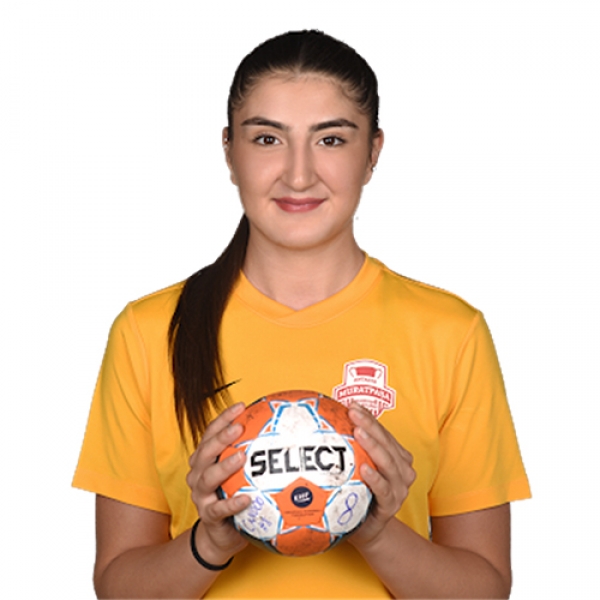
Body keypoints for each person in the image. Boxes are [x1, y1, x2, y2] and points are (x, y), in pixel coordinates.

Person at [73, 30, 531, 599]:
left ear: (373, 153)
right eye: (267, 138)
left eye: (331, 140)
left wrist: (377, 532)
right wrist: (210, 542)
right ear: (229, 151)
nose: (297, 174)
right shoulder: (149, 333)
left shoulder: (450, 333)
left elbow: (485, 589)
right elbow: (118, 587)